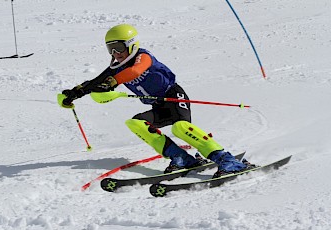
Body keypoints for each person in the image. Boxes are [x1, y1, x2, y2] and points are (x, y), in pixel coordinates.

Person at [58, 24, 253, 177]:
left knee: (181, 128)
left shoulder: (143, 56)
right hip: (158, 105)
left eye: (118, 48)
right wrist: (75, 94)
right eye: (111, 49)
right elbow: (95, 82)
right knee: (136, 123)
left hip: (174, 96)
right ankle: (181, 158)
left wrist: (113, 81)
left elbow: (136, 71)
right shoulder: (116, 68)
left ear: (131, 44)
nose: (115, 54)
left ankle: (228, 160)